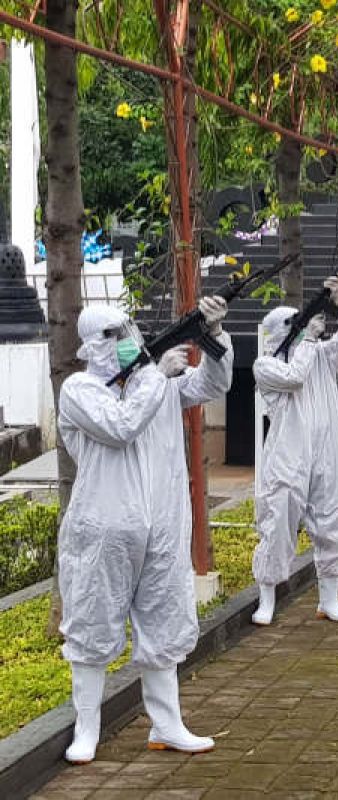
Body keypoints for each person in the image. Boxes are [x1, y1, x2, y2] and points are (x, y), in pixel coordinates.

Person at [58, 296, 232, 764]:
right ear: (91, 345)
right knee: (92, 625)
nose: (122, 344)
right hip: (104, 528)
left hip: (161, 524)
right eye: (110, 336)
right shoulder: (80, 390)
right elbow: (121, 425)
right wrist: (157, 372)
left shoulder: (158, 383)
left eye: (126, 332)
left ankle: (167, 724)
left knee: (164, 620)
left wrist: (212, 337)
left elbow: (216, 382)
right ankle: (87, 729)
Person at [253, 275, 338, 626]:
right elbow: (295, 377)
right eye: (294, 325)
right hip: (289, 454)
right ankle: (267, 598)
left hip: (327, 448)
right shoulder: (266, 365)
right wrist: (306, 338)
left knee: (335, 515)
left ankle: (329, 599)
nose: (302, 329)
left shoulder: (320, 353)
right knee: (278, 520)